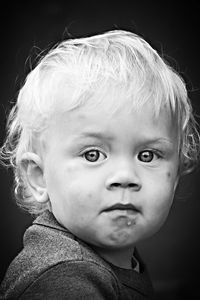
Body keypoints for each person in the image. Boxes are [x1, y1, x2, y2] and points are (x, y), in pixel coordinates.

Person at [0, 29, 199, 299]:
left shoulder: (111, 264)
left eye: (147, 155)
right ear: (39, 176)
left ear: (175, 174)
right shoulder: (66, 278)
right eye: (93, 154)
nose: (125, 176)